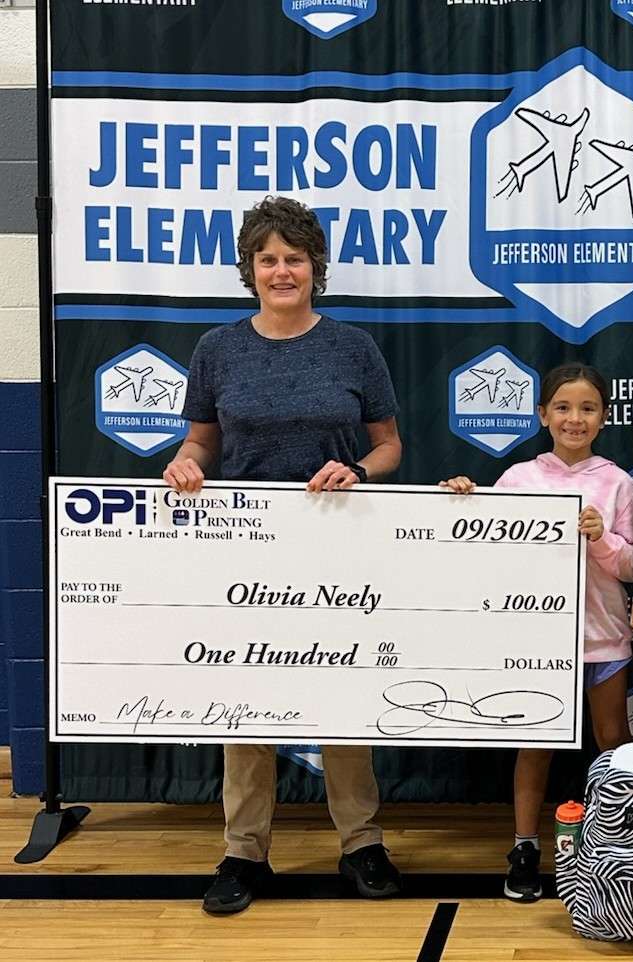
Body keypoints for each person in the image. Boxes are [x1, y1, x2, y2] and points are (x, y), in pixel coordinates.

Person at [164, 195, 405, 915]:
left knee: (343, 692)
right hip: (245, 549)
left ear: (314, 266)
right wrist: (183, 462)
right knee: (246, 703)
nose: (281, 271)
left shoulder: (353, 346)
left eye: (293, 258)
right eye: (267, 259)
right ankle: (244, 851)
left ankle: (361, 842)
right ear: (250, 269)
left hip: (337, 543)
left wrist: (358, 470)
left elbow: (389, 444)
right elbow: (202, 440)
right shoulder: (218, 348)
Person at [441, 363, 633, 903]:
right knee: (536, 744)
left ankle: (615, 849)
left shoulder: (619, 482)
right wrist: (462, 499)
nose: (575, 418)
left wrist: (602, 540)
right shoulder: (518, 479)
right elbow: (488, 549)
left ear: (603, 417)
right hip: (537, 643)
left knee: (612, 743)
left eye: (588, 408)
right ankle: (525, 847)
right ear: (543, 415)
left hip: (603, 638)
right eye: (564, 407)